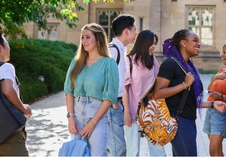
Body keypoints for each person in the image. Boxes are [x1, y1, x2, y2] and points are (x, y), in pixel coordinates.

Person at [153, 29, 226, 156]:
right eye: (195, 40)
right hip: (178, 121)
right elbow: (158, 93)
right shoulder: (170, 63)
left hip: (188, 120)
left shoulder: (189, 66)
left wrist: (212, 105)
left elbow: (189, 99)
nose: (199, 44)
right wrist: (184, 84)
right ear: (183, 43)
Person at [64, 23, 119, 156]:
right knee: (76, 154)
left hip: (97, 116)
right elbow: (68, 91)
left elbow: (109, 97)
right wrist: (70, 117)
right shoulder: (76, 62)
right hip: (76, 116)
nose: (84, 41)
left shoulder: (108, 63)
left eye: (88, 37)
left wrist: (93, 123)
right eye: (82, 37)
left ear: (98, 39)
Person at [123, 29, 166, 156]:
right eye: (151, 43)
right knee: (133, 151)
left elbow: (159, 83)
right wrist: (126, 112)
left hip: (152, 112)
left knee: (158, 150)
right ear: (143, 43)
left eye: (155, 44)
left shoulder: (152, 61)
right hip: (133, 112)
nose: (153, 47)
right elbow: (124, 88)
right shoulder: (129, 60)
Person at [107, 14, 137, 156]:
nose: (136, 33)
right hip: (112, 106)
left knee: (116, 149)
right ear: (126, 31)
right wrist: (113, 103)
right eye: (134, 30)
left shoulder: (120, 50)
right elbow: (105, 78)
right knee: (117, 150)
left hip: (116, 104)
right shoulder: (113, 50)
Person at [203, 42, 226, 156]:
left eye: (225, 52)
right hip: (211, 110)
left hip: (222, 113)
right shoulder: (222, 71)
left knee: (213, 150)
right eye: (221, 52)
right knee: (218, 151)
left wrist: (221, 97)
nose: (221, 55)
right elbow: (209, 90)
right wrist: (215, 78)